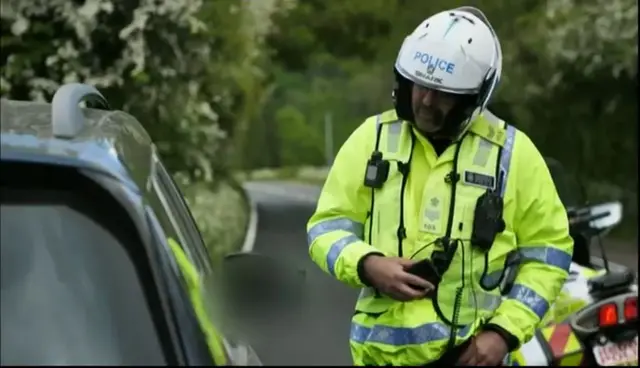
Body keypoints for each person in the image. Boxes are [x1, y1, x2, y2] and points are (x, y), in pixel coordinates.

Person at [306, 6, 573, 367]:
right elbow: (325, 228)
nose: (426, 101)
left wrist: (503, 333)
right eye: (420, 85)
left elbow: (549, 254)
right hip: (378, 359)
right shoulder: (371, 139)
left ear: (474, 98)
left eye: (443, 93)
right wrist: (368, 264)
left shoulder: (514, 156)